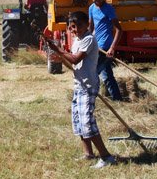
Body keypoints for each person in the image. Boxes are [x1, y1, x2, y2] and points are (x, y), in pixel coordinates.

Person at [46, 11, 117, 169]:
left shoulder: (88, 39)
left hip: (88, 86)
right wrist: (60, 59)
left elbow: (76, 58)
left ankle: (106, 157)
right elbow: (73, 65)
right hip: (79, 85)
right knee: (78, 121)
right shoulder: (77, 41)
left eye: (76, 26)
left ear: (86, 25)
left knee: (87, 123)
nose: (73, 30)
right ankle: (88, 154)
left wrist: (58, 50)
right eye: (71, 27)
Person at [88, 0, 123, 101]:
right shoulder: (91, 8)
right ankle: (117, 99)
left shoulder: (109, 9)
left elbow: (119, 29)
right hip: (96, 46)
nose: (98, 1)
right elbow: (90, 27)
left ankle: (89, 97)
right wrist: (86, 41)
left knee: (93, 74)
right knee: (106, 75)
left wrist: (112, 48)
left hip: (105, 47)